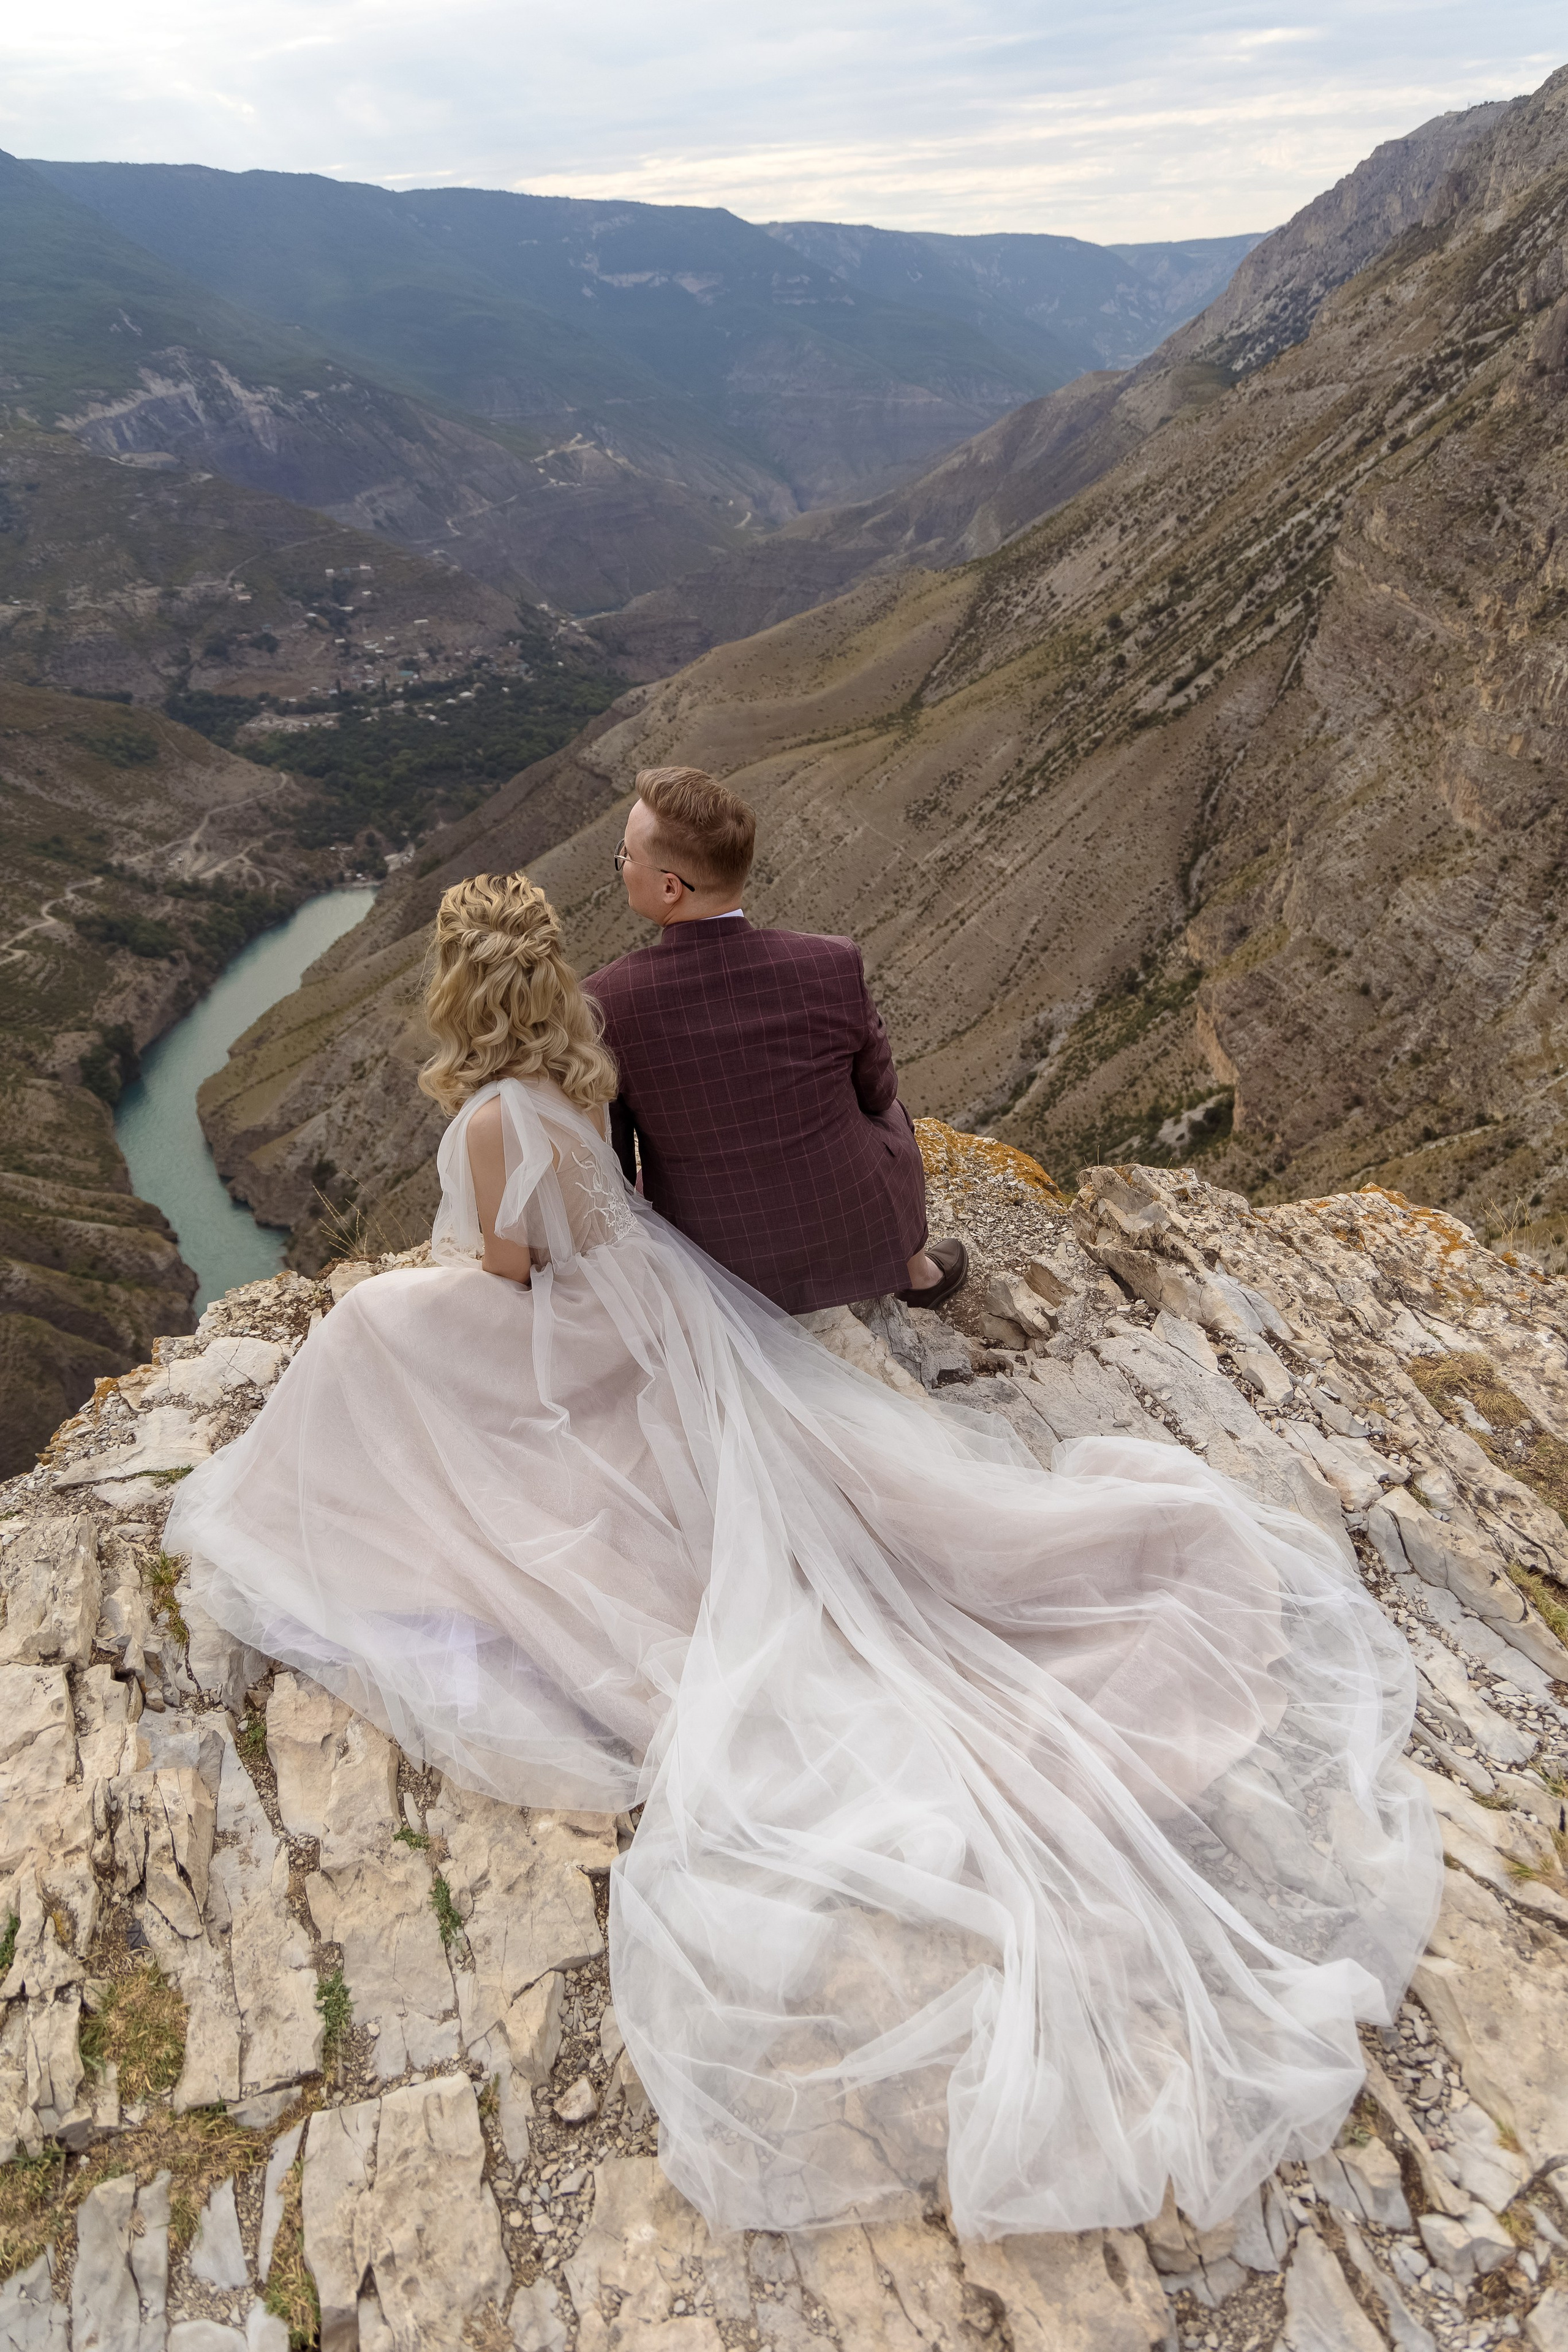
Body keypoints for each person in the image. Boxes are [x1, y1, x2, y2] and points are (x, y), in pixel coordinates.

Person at [167, 868, 1440, 2248]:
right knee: (394, 1336)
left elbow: (511, 1278)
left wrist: (420, 1290)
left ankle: (346, 1515)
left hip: (575, 1330)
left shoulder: (487, 1118)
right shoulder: (576, 1071)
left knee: (365, 1334)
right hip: (650, 1307)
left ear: (456, 993)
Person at [586, 765, 967, 1313]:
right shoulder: (831, 961)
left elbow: (616, 1162)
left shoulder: (604, 1001)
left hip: (715, 1257)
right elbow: (878, 1093)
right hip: (848, 1219)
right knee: (891, 1114)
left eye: (626, 855)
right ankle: (916, 1272)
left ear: (670, 887)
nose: (622, 864)